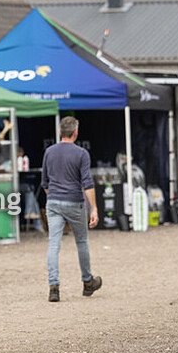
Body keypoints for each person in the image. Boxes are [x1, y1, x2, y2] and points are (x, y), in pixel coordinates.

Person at [41, 116, 102, 302]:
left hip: (53, 201)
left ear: (60, 132)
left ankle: (54, 287)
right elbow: (87, 183)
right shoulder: (82, 154)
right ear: (75, 133)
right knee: (81, 242)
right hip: (74, 201)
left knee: (54, 244)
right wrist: (94, 209)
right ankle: (87, 282)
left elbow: (44, 182)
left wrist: (53, 197)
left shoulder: (49, 152)